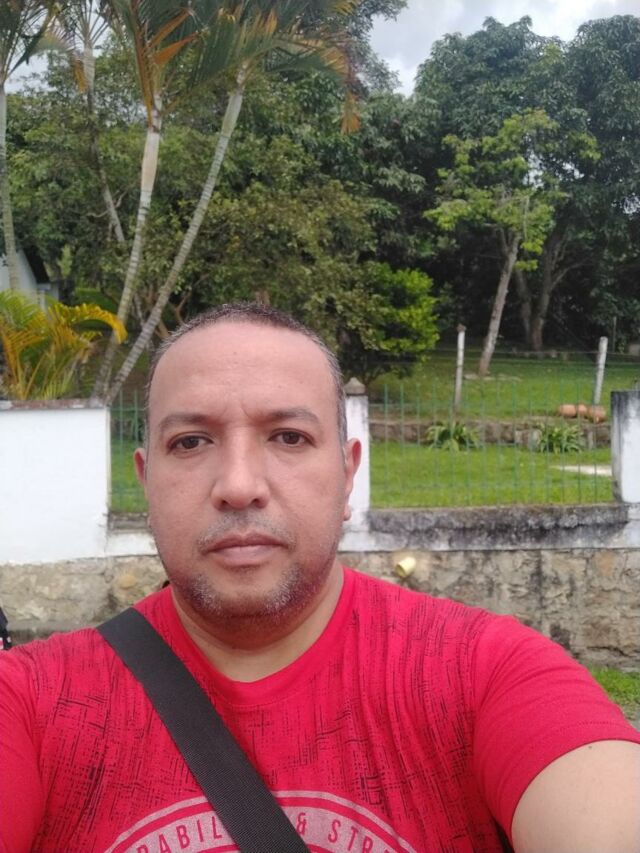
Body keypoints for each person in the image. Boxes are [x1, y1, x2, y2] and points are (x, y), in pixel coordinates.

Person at [1, 302, 639, 853]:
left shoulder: (487, 675)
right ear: (147, 482)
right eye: (191, 442)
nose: (239, 486)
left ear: (347, 472)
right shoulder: (28, 702)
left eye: (288, 436)